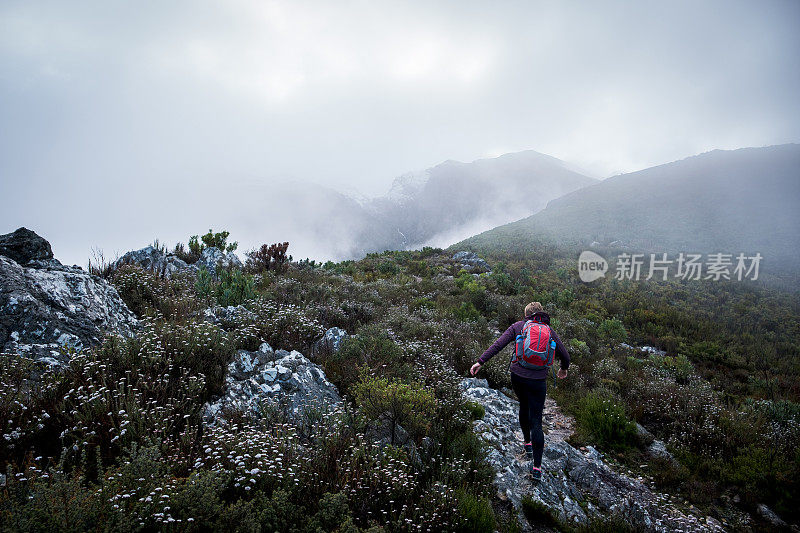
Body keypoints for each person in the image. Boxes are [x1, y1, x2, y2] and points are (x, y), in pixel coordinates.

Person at [470, 302, 569, 482]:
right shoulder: (549, 330)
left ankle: (527, 444)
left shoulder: (517, 326)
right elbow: (565, 355)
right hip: (538, 381)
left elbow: (498, 345)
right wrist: (563, 369)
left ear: (526, 315)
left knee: (524, 406)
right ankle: (537, 468)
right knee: (537, 421)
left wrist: (480, 362)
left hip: (519, 376)